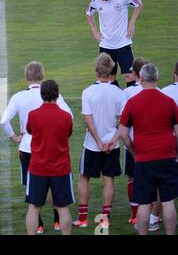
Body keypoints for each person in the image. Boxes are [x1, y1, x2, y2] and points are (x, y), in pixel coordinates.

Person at [0, 61, 73, 233]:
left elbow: (4, 120)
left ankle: (39, 225)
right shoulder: (59, 104)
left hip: (30, 151)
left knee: (33, 200)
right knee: (63, 205)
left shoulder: (20, 98)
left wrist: (14, 137)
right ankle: (56, 221)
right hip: (56, 156)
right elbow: (69, 119)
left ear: (27, 77)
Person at [111, 64, 178, 235]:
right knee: (168, 201)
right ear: (157, 78)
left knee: (144, 203)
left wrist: (134, 152)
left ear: (140, 79)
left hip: (144, 157)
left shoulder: (133, 102)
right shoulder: (169, 101)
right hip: (167, 155)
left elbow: (124, 134)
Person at [73, 53, 125, 229]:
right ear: (111, 71)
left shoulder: (87, 92)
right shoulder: (119, 93)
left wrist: (98, 141)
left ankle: (83, 218)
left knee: (84, 178)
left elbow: (89, 120)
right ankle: (104, 220)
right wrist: (112, 140)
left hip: (91, 145)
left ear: (96, 70)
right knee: (109, 179)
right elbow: (123, 122)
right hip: (113, 144)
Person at [25, 80, 74, 235]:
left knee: (33, 207)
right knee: (63, 207)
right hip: (61, 169)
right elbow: (68, 134)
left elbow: (30, 131)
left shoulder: (33, 115)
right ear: (57, 94)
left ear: (42, 94)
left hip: (38, 168)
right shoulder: (66, 117)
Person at [86, 0, 143, 88]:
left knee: (130, 75)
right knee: (109, 78)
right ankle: (117, 101)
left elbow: (139, 4)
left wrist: (131, 24)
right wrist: (94, 30)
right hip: (105, 45)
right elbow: (88, 14)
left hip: (123, 43)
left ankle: (129, 101)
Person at [121, 58, 148, 226]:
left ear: (136, 74)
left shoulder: (128, 93)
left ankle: (135, 215)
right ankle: (153, 214)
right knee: (152, 178)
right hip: (151, 143)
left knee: (132, 179)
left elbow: (124, 119)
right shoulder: (158, 90)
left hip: (132, 142)